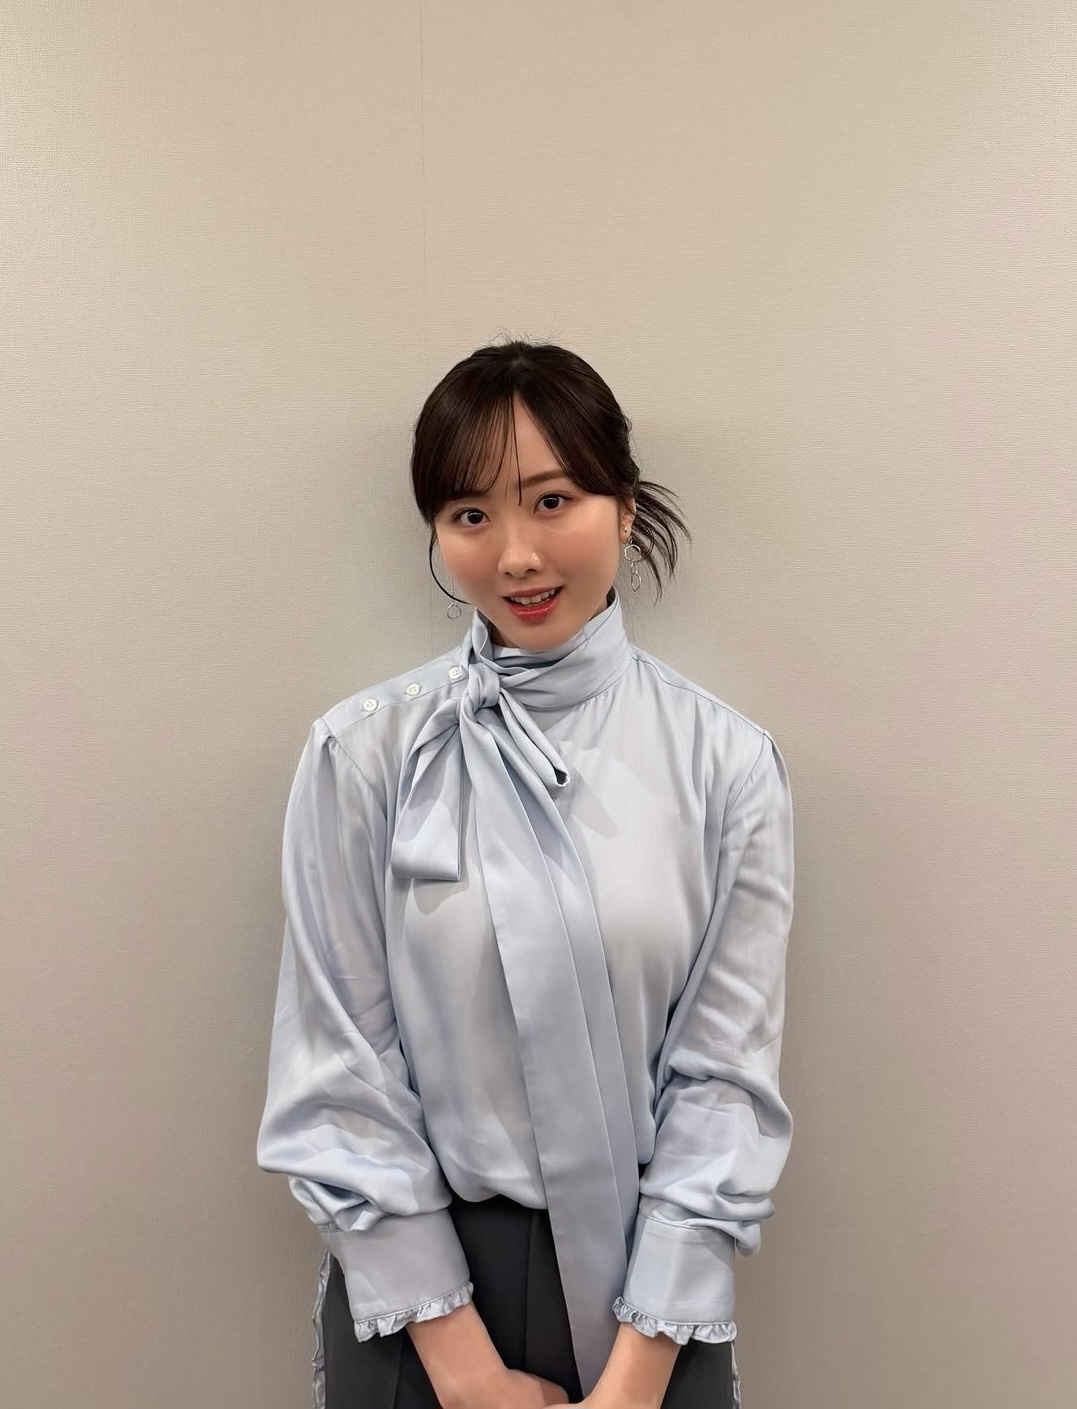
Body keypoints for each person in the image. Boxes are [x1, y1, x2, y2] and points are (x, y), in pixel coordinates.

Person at [257, 341, 795, 1409]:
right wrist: (467, 1374)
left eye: (552, 500)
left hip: (658, 1293)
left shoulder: (726, 761)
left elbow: (724, 1077)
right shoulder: (362, 754)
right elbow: (339, 1067)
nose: (515, 555)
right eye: (470, 514)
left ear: (624, 507)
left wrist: (635, 1380)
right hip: (419, 1299)